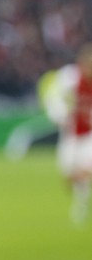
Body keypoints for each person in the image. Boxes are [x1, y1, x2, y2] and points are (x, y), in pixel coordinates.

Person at [38, 43, 92, 224]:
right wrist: (59, 114)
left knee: (86, 168)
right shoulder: (69, 78)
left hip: (89, 136)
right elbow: (53, 97)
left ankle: (81, 205)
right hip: (71, 134)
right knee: (68, 176)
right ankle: (81, 196)